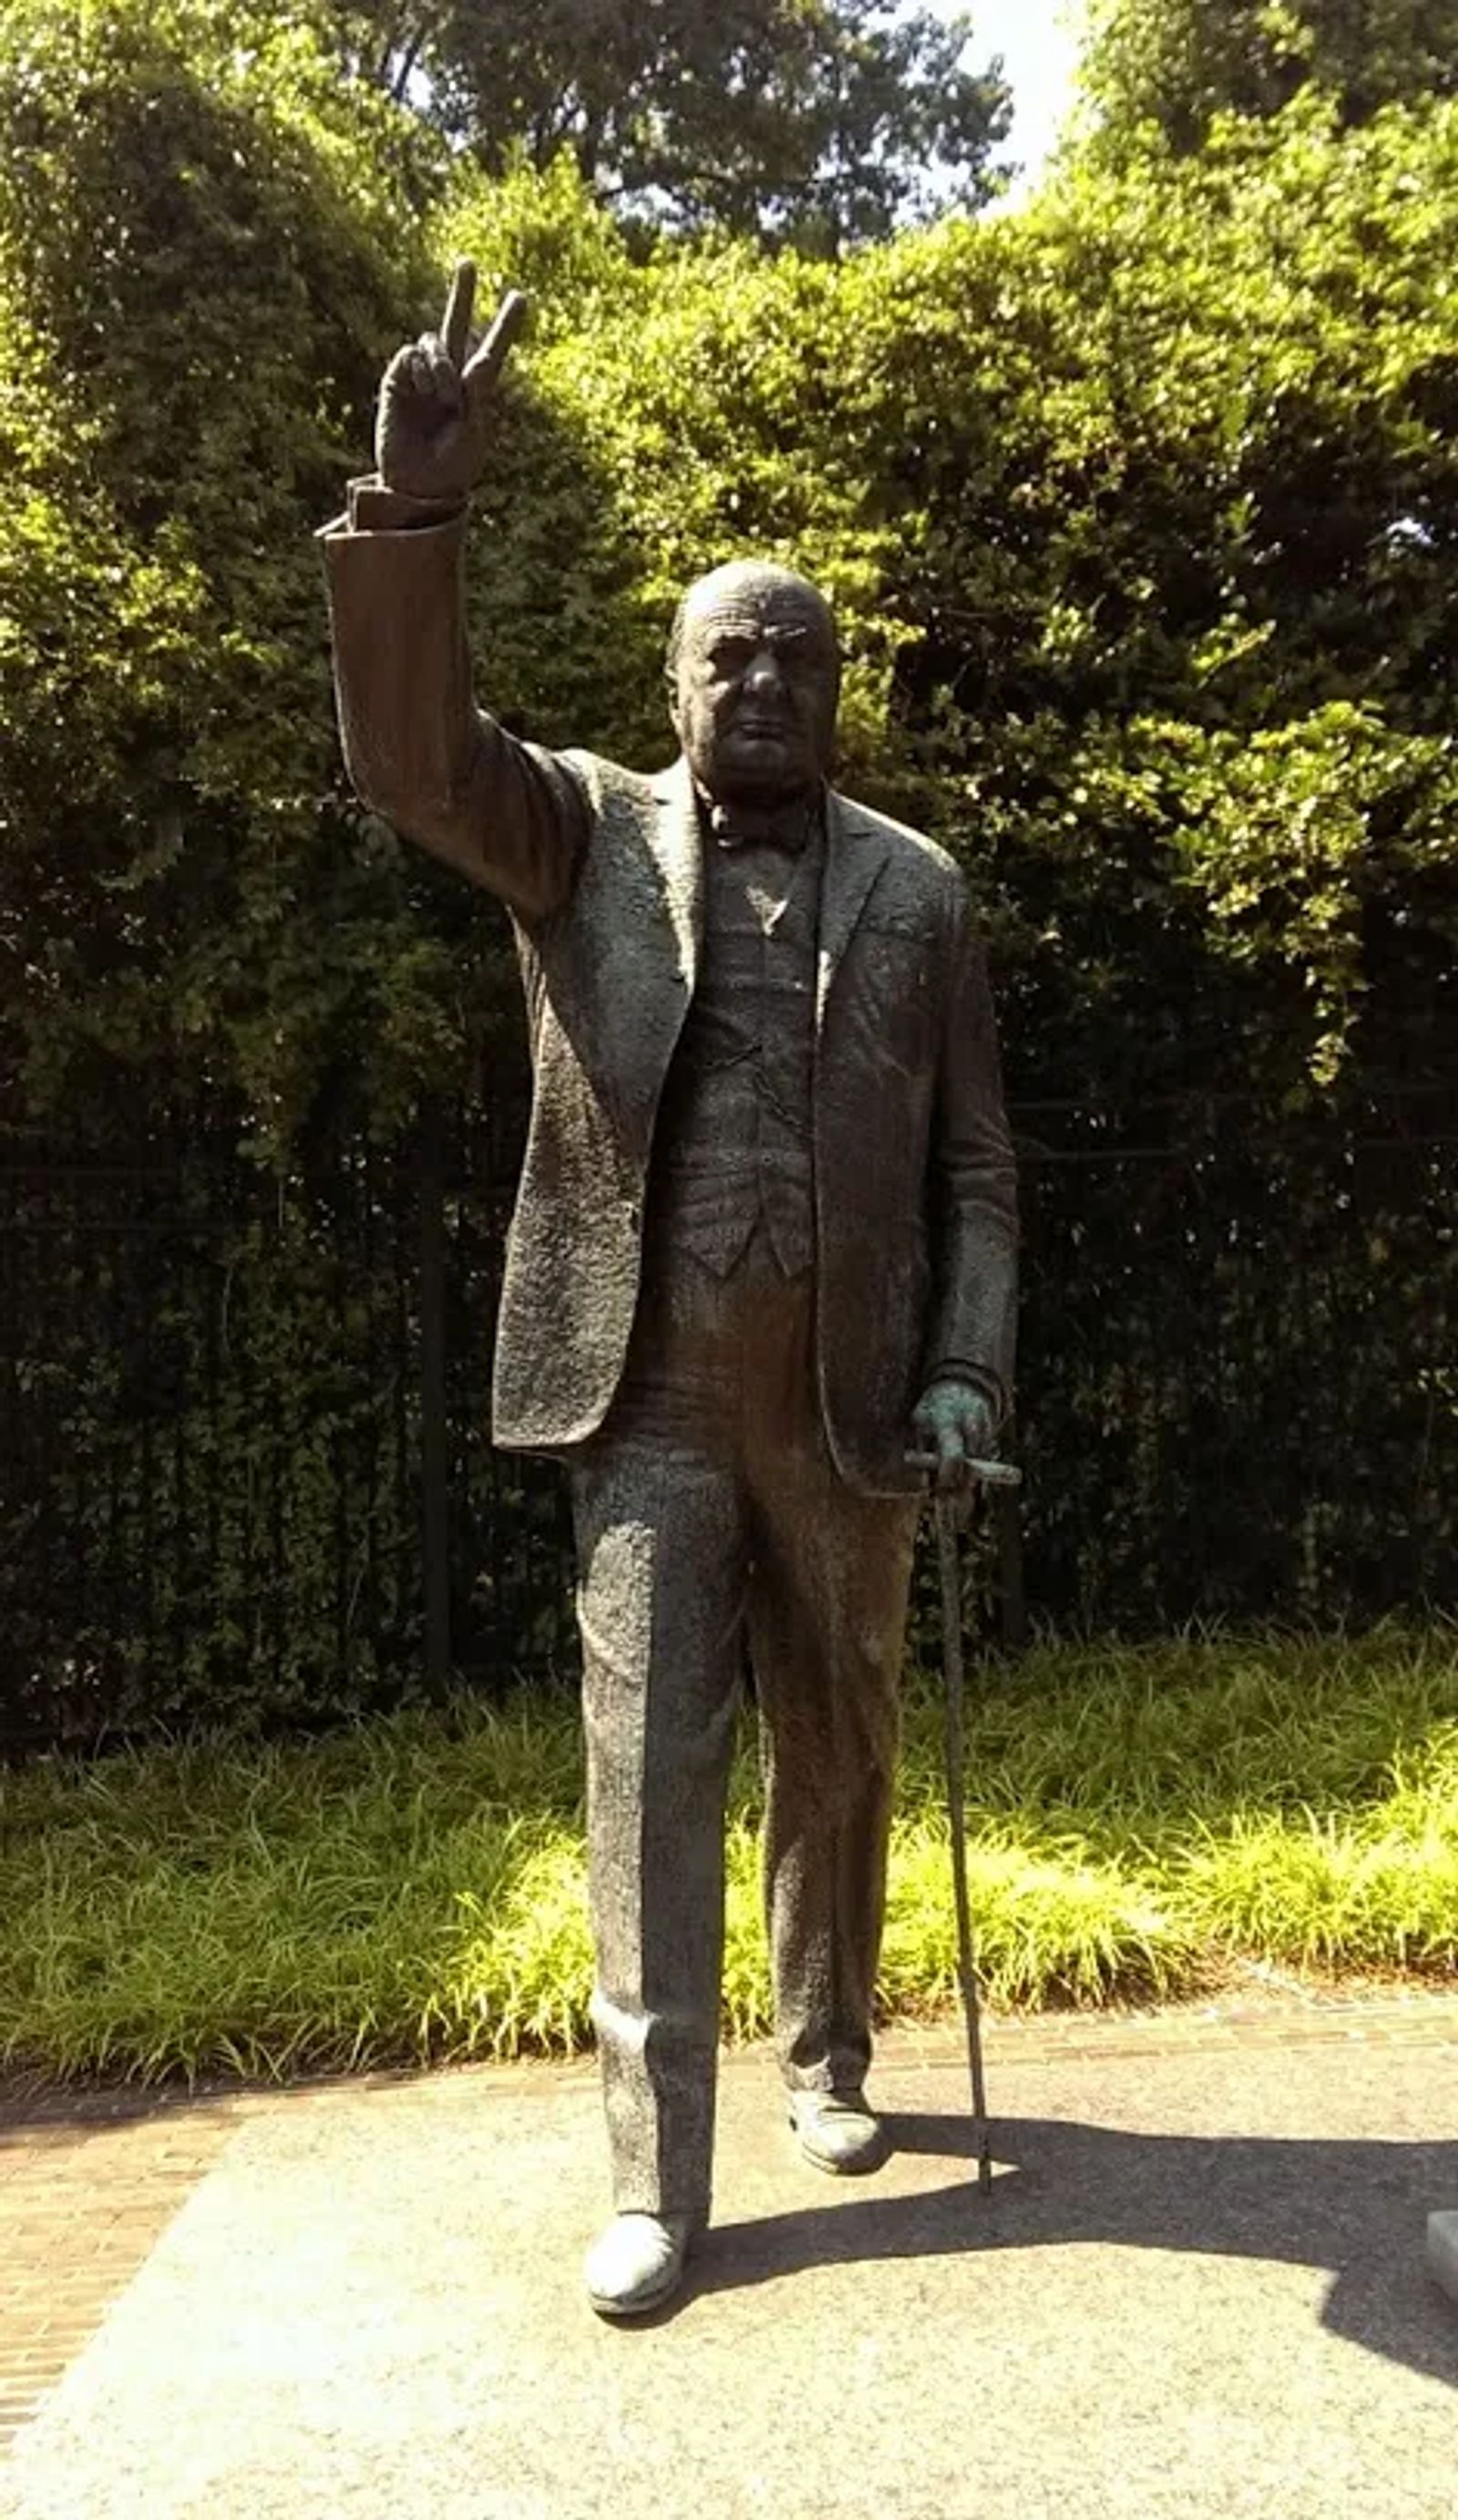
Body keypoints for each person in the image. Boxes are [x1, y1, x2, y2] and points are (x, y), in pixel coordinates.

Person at [322, 262, 1018, 2319]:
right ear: (675, 677)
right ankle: (659, 2179)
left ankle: (831, 2055)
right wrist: (412, 523)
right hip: (639, 1406)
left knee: (843, 1742)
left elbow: (977, 1165)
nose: (769, 683)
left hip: (856, 1406)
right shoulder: (579, 838)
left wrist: (969, 1368)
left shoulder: (918, 889)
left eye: (800, 655)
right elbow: (410, 758)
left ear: (837, 684)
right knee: (647, 1779)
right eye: (733, 654)